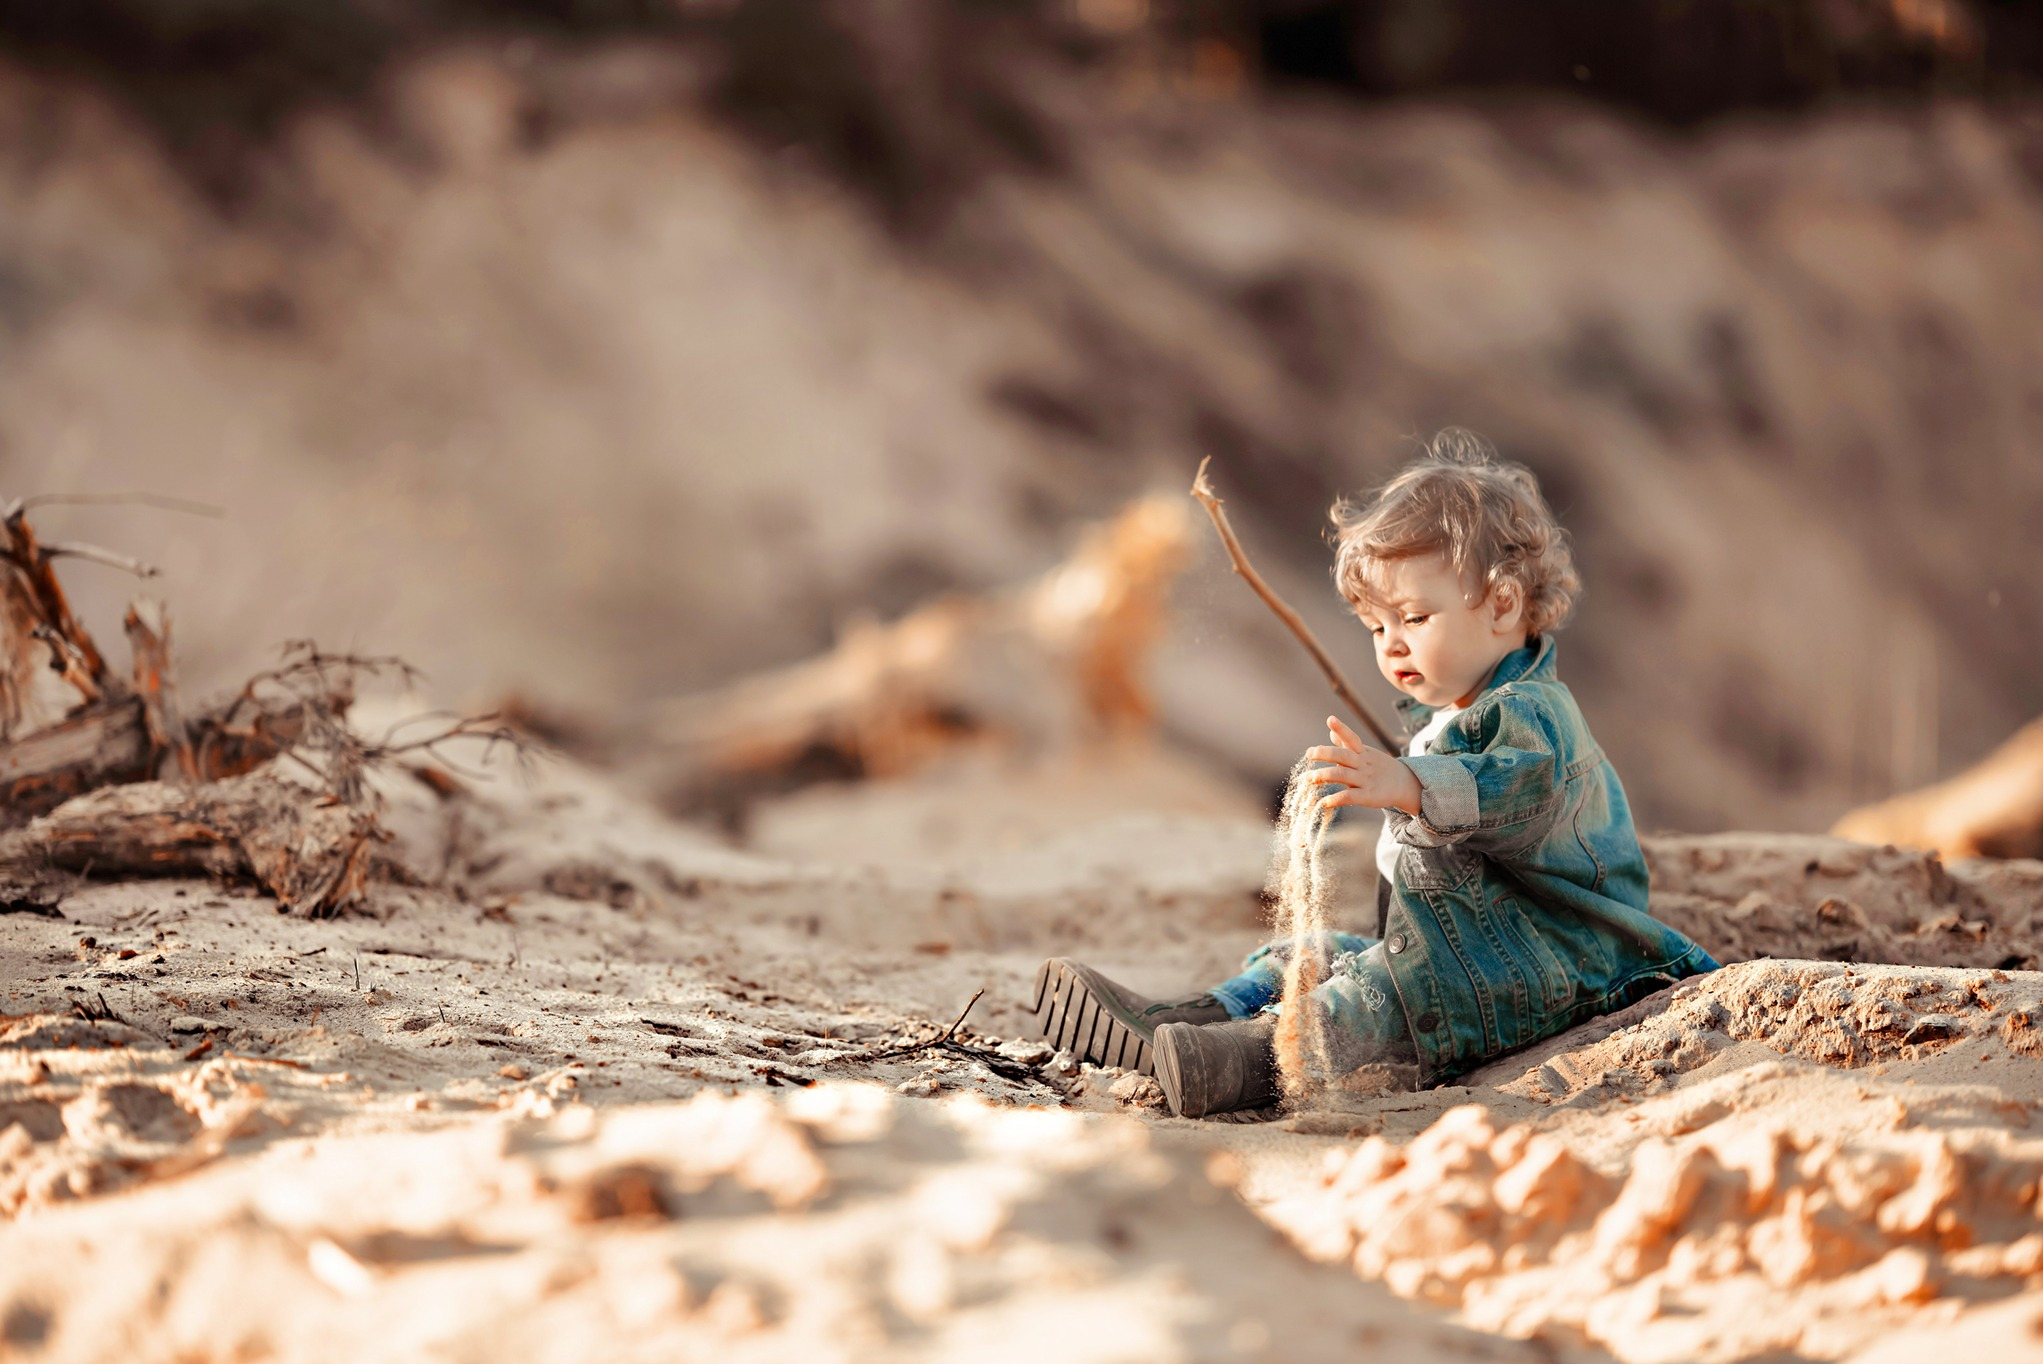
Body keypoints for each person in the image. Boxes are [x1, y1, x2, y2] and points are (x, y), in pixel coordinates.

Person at [1030, 430, 1719, 1118]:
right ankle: (1191, 1018)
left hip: (1547, 964)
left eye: (1414, 617)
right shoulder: (1455, 712)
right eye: (1374, 626)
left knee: (1373, 999)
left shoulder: (1533, 716)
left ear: (1503, 605)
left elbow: (1517, 791)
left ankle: (1251, 1060)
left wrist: (1408, 784)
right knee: (1315, 952)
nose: (1390, 644)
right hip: (1464, 957)